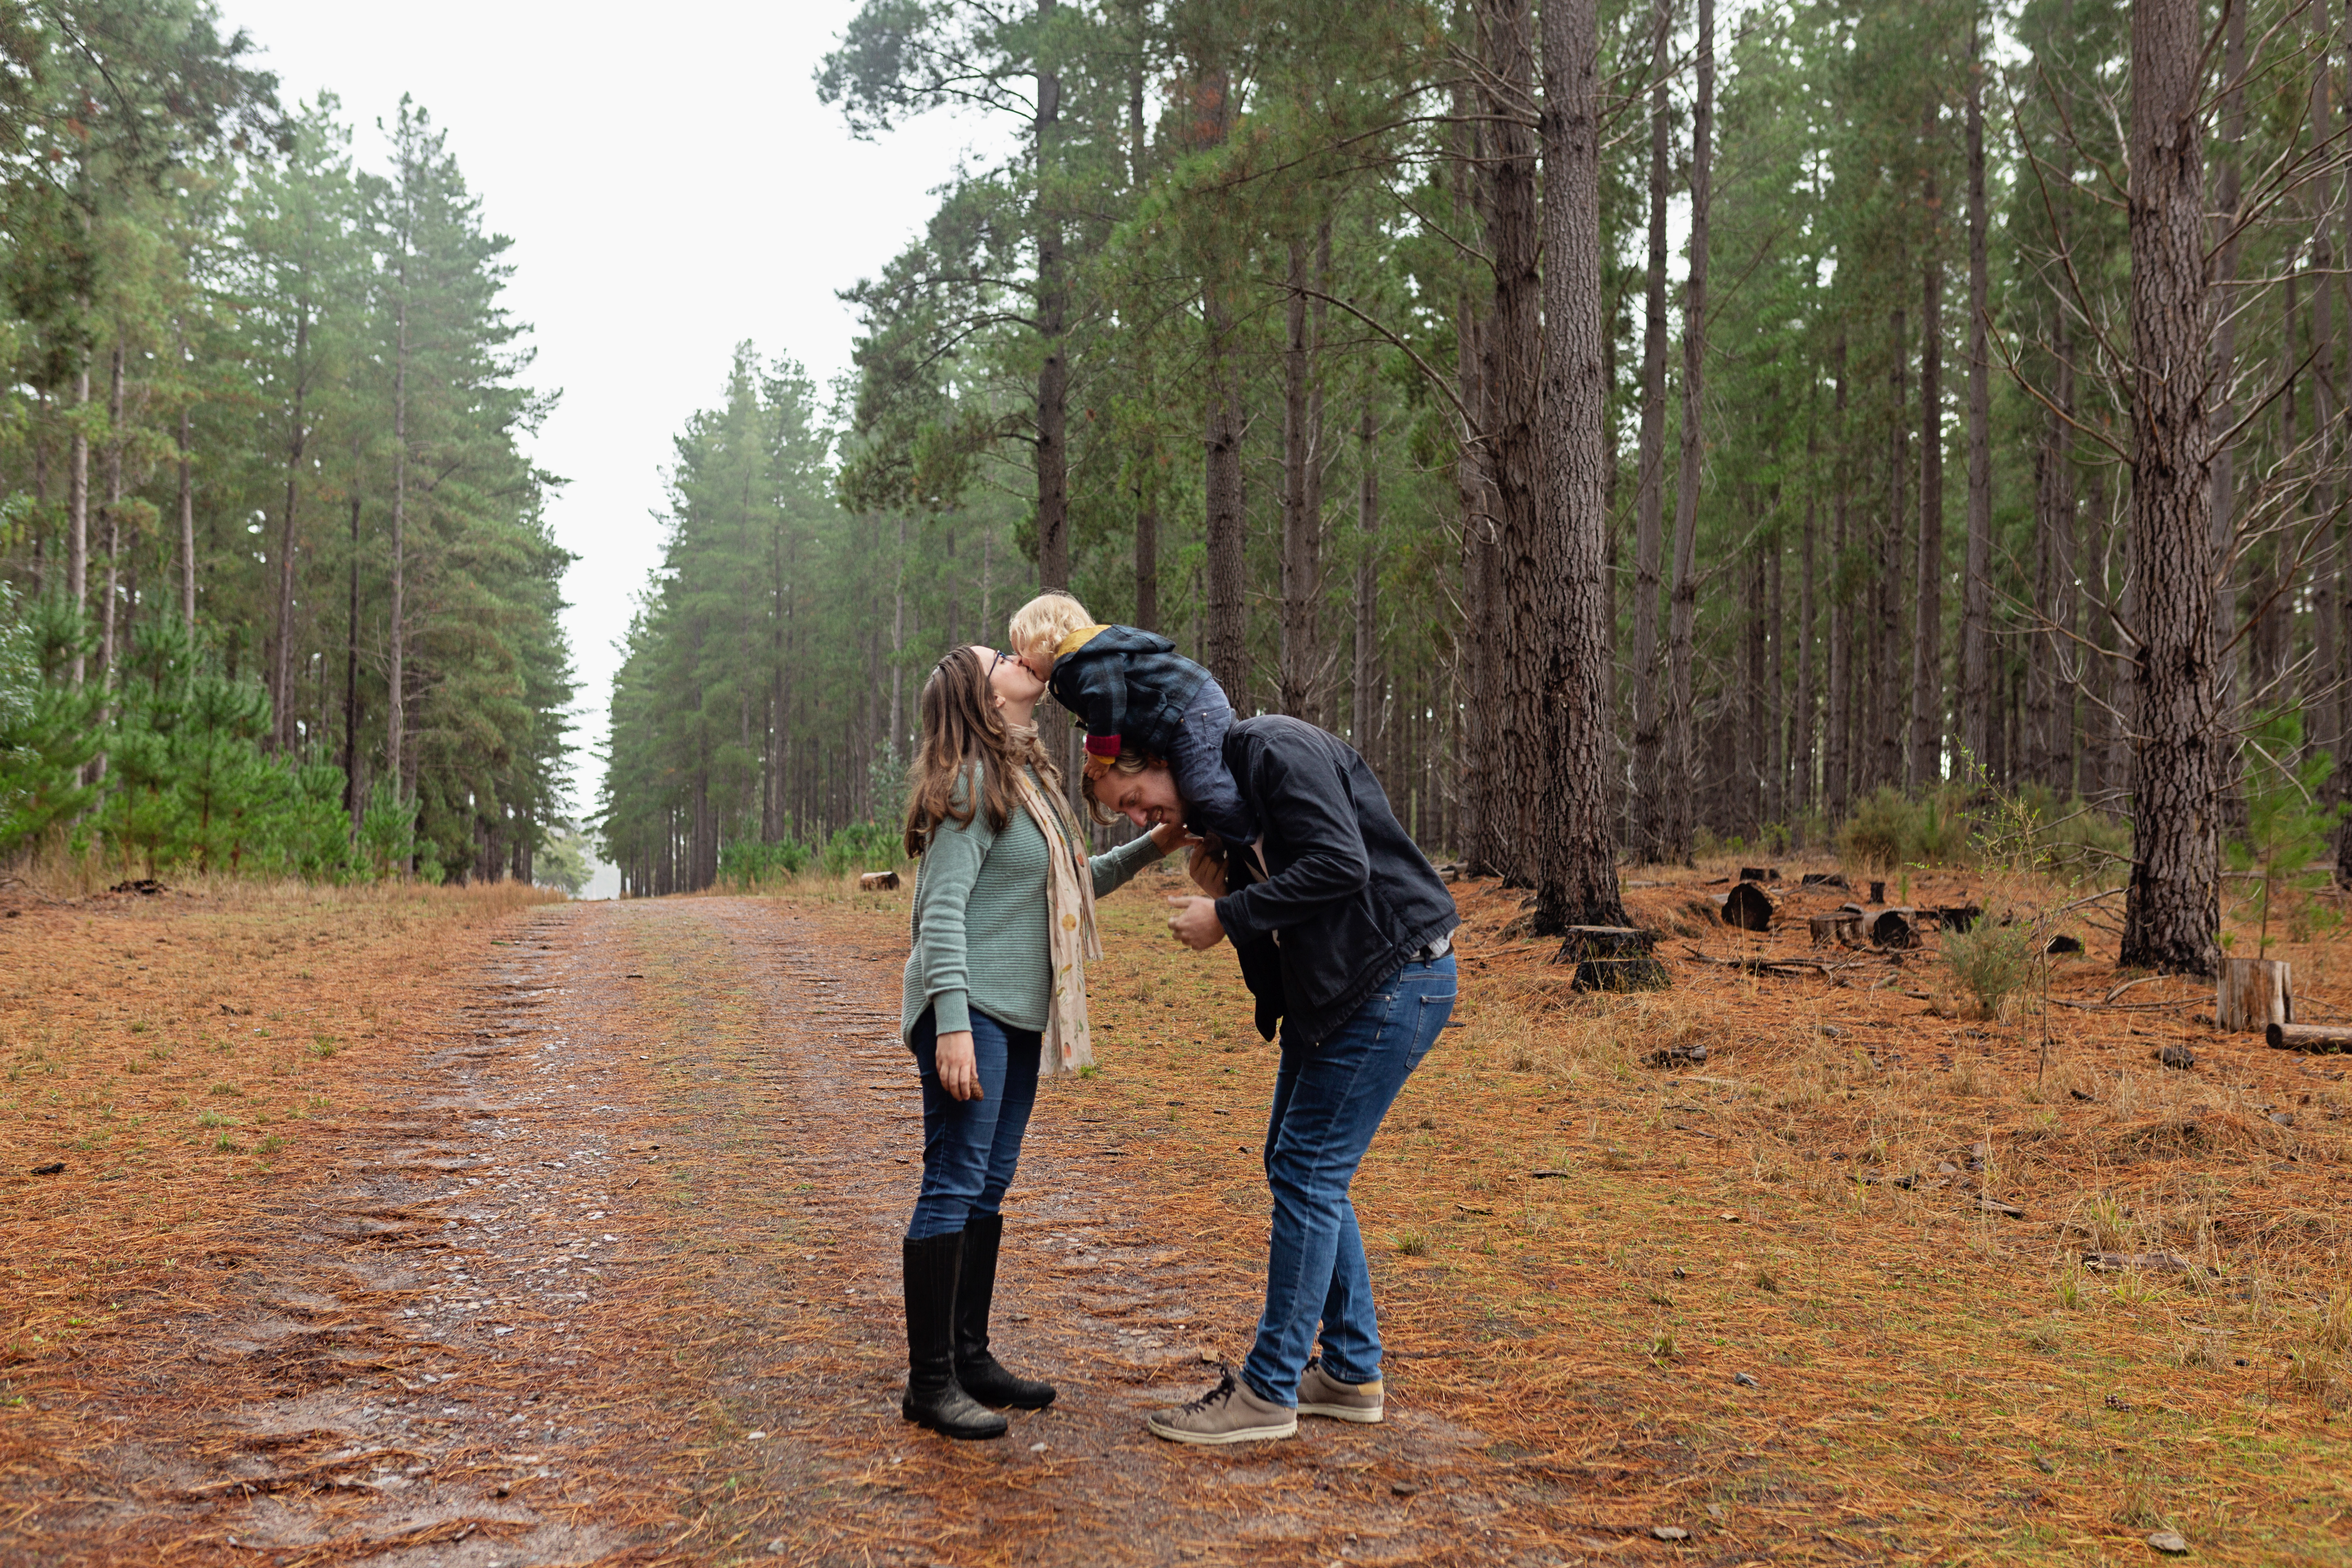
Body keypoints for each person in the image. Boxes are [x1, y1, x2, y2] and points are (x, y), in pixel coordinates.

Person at [1085, 716, 1459, 1446]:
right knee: (1298, 1167)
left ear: (1162, 760)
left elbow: (1341, 865)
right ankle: (1351, 1371)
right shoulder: (1226, 814)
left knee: (1308, 1171)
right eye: (1123, 813)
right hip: (1339, 994)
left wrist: (1229, 913)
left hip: (1393, 976)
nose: (1138, 817)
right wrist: (1229, 881)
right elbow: (1284, 928)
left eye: (1134, 796)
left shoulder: (1268, 749)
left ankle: (1267, 1390)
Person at [897, 645, 1189, 1441]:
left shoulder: (1028, 784)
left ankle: (969, 1356)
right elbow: (940, 914)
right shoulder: (972, 785)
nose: (1019, 655)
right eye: (999, 658)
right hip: (972, 1012)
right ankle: (930, 1385)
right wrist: (952, 1021)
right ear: (979, 695)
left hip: (1019, 1014)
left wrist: (1156, 846)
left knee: (986, 1186)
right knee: (955, 1183)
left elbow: (1073, 883)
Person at [1007, 590, 1255, 849]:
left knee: (1202, 783)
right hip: (1191, 706)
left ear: (1046, 638)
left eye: (1021, 650)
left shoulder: (1079, 659)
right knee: (1206, 779)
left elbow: (1107, 696)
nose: (1020, 661)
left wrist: (1100, 753)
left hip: (1189, 706)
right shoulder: (1086, 658)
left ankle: (1252, 841)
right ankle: (1229, 835)